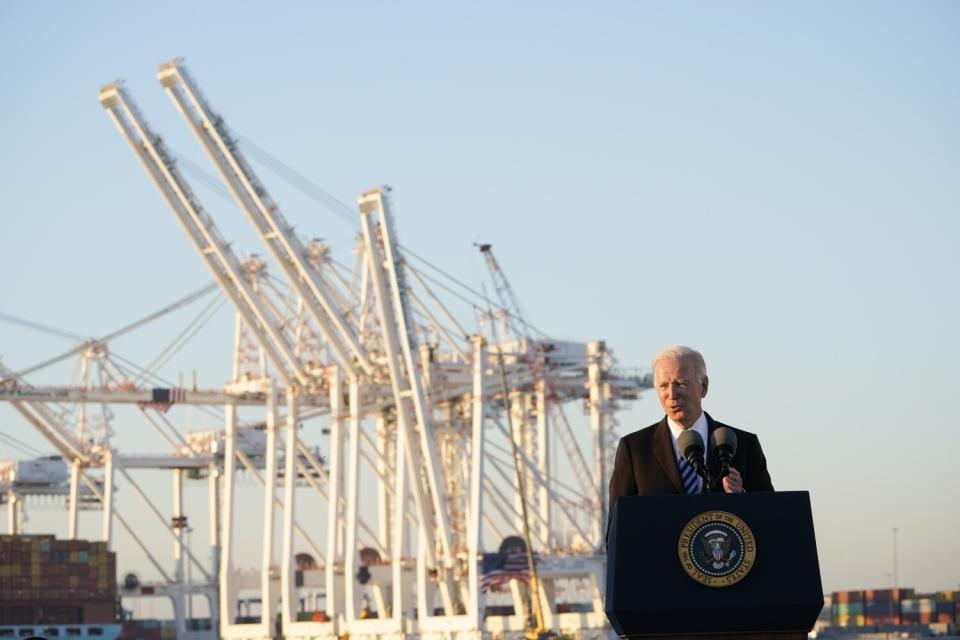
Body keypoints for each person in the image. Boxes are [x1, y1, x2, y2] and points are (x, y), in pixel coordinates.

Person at [606, 346, 773, 538]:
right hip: (656, 566)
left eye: (680, 384)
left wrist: (740, 496)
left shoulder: (743, 444)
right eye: (663, 386)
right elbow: (615, 532)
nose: (672, 394)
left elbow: (771, 519)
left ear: (704, 386)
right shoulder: (635, 449)